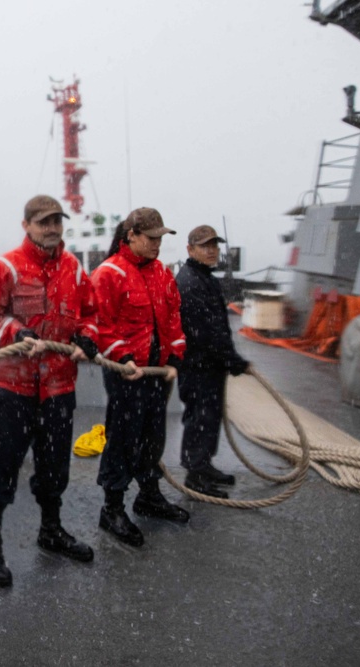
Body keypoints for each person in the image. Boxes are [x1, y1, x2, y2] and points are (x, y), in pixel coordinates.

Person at [0, 194, 99, 588]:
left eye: (57, 221)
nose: (52, 228)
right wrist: (15, 332)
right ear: (26, 225)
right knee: (1, 468)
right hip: (14, 389)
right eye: (44, 222)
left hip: (59, 388)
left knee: (55, 466)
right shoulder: (5, 267)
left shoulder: (74, 269)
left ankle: (51, 530)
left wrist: (88, 339)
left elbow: (91, 315)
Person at [91, 207, 189, 548]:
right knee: (123, 436)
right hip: (126, 374)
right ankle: (112, 506)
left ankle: (148, 493)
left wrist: (176, 353)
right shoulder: (108, 274)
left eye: (161, 238)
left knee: (152, 434)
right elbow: (100, 324)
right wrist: (124, 356)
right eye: (152, 238)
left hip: (157, 373)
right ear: (130, 235)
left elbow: (173, 315)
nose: (157, 245)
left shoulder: (162, 273)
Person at [176, 225, 250, 499]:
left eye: (214, 246)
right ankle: (195, 473)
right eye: (204, 246)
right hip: (198, 366)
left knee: (209, 416)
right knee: (200, 417)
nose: (211, 251)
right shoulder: (191, 282)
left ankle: (203, 465)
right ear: (190, 250)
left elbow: (216, 328)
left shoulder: (204, 278)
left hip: (209, 365)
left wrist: (227, 360)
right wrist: (232, 360)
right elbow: (205, 332)